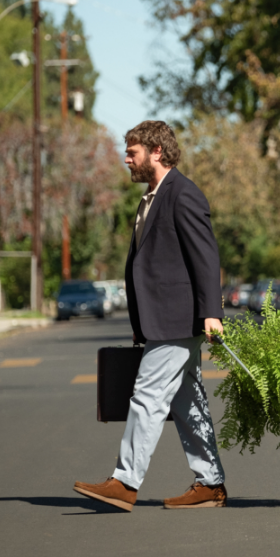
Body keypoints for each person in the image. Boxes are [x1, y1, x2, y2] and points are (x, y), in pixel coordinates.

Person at [74, 120, 227, 512]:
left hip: (177, 319)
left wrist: (211, 312)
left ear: (156, 151)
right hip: (164, 319)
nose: (126, 159)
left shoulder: (183, 194)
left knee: (146, 398)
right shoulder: (153, 196)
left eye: (133, 152)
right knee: (185, 399)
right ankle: (210, 483)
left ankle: (125, 482)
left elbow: (206, 257)